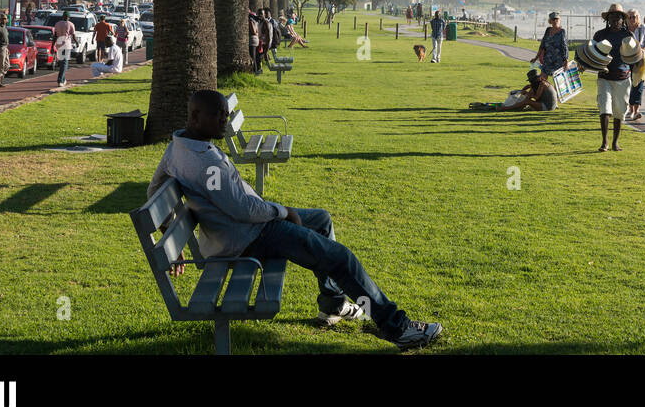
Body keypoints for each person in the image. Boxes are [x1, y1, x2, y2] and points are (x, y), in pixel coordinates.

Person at [150, 89, 442, 350]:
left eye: (226, 115)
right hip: (248, 238)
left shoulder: (179, 146)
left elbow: (154, 188)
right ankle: (397, 328)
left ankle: (332, 305)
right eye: (217, 116)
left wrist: (167, 228)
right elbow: (240, 209)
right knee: (340, 259)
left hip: (245, 229)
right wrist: (283, 212)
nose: (224, 122)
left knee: (321, 220)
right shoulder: (204, 161)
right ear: (196, 116)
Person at [592, 4, 632, 152]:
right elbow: (592, 53)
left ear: (623, 20)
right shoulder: (600, 35)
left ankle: (615, 142)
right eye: (612, 17)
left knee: (619, 111)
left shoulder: (628, 36)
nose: (615, 19)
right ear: (607, 19)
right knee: (605, 107)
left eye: (618, 17)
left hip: (623, 77)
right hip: (604, 77)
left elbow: (635, 57)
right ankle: (605, 142)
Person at [623, 9, 645, 122]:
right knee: (628, 85)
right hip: (626, 60)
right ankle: (630, 110)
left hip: (640, 60)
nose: (632, 19)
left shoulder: (642, 28)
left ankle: (636, 110)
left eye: (634, 16)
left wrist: (643, 50)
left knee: (639, 85)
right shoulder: (624, 29)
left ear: (638, 17)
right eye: (630, 17)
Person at [533, 12, 569, 78]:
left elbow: (564, 47)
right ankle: (544, 88)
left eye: (557, 19)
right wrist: (536, 58)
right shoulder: (548, 30)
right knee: (543, 80)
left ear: (559, 20)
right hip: (547, 59)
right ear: (550, 21)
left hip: (558, 61)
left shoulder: (562, 31)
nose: (555, 21)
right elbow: (542, 45)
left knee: (558, 82)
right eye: (553, 19)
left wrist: (566, 61)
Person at [52, 11, 76, 87]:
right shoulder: (71, 24)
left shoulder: (57, 24)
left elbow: (55, 36)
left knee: (62, 63)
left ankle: (63, 79)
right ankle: (60, 80)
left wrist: (53, 45)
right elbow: (74, 36)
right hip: (66, 45)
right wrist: (77, 43)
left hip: (59, 45)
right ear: (68, 17)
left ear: (62, 16)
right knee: (65, 63)